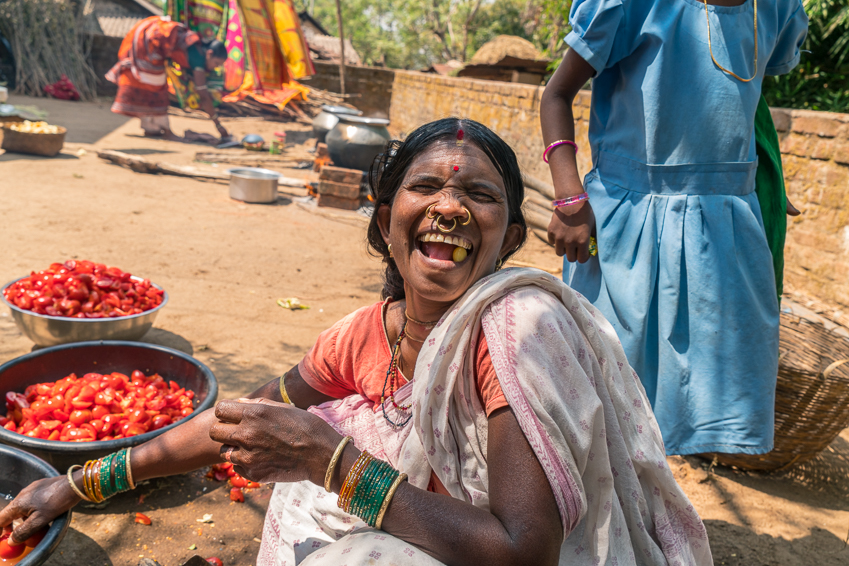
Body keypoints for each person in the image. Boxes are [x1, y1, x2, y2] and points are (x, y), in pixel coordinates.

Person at [0, 119, 712, 566]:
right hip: (442, 531)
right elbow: (235, 425)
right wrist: (74, 483)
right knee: (300, 491)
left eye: (480, 196)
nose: (449, 206)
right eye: (424, 186)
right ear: (384, 223)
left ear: (510, 240)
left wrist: (333, 461)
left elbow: (523, 550)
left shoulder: (517, 329)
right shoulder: (363, 335)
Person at [540, 0, 808, 456]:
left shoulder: (776, 8)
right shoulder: (632, 5)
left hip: (722, 235)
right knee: (606, 396)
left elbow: (751, 97)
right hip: (631, 230)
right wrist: (569, 199)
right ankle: (592, 518)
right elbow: (556, 95)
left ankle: (653, 519)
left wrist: (765, 179)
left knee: (689, 403)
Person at [105, 15, 230, 141]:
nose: (215, 68)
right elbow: (203, 96)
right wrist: (219, 126)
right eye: (216, 63)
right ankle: (165, 129)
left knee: (151, 84)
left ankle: (151, 127)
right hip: (148, 48)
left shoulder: (196, 46)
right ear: (209, 54)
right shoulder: (198, 60)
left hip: (147, 37)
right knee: (156, 89)